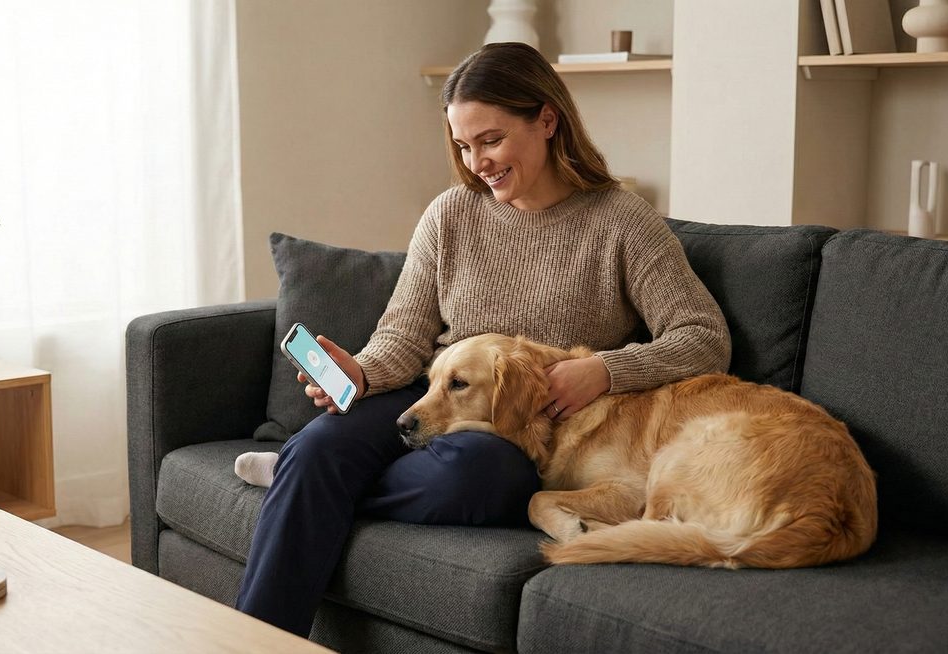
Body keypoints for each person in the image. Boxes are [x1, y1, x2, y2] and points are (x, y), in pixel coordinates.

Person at [233, 42, 731, 638]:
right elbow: (405, 334)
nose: (477, 163)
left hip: (525, 429)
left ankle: (304, 485)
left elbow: (704, 338)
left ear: (547, 120)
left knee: (471, 477)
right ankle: (253, 639)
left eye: (490, 140)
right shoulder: (450, 214)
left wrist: (605, 369)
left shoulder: (623, 221)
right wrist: (361, 373)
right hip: (440, 390)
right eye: (464, 146)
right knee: (320, 446)